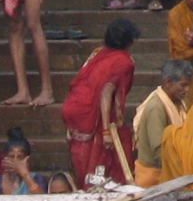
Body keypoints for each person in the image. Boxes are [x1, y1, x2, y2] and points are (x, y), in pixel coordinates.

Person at [59, 18, 139, 185]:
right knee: (102, 158)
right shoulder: (123, 62)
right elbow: (106, 93)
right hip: (93, 118)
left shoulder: (97, 53)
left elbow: (78, 82)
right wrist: (105, 131)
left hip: (75, 111)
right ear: (130, 41)